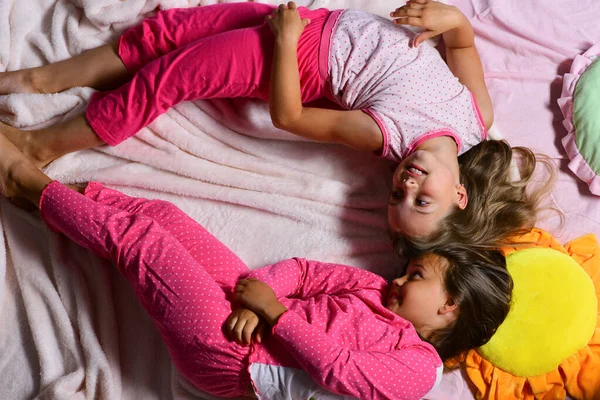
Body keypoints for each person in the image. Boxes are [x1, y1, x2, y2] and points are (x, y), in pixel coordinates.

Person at [0, 132, 512, 399]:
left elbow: (338, 370)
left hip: (234, 357)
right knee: (164, 218)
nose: (399, 278)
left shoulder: (418, 369)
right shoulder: (376, 291)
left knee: (146, 245)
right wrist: (259, 293)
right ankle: (60, 198)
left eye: (416, 277)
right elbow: (307, 273)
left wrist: (275, 315)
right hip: (246, 313)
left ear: (449, 308)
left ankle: (23, 181)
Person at [0, 0, 504, 241]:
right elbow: (462, 43)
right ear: (459, 194)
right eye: (422, 198)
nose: (406, 184)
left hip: (298, 58)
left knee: (171, 78)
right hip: (316, 25)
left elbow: (289, 115)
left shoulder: (385, 136)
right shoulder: (476, 120)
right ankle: (39, 79)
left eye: (398, 196)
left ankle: (44, 145)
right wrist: (453, 19)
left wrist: (285, 41)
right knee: (168, 34)